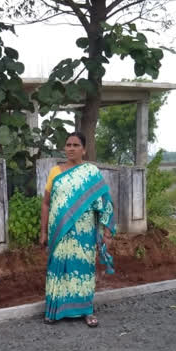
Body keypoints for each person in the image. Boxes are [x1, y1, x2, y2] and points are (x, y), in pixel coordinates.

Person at [39, 132, 116, 328]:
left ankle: (86, 311)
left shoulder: (91, 172)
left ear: (84, 149)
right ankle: (54, 310)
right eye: (68, 145)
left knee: (82, 270)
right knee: (58, 270)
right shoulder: (56, 172)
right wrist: (43, 232)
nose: (71, 148)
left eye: (75, 145)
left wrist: (107, 232)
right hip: (59, 231)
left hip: (84, 233)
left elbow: (105, 202)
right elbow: (46, 203)